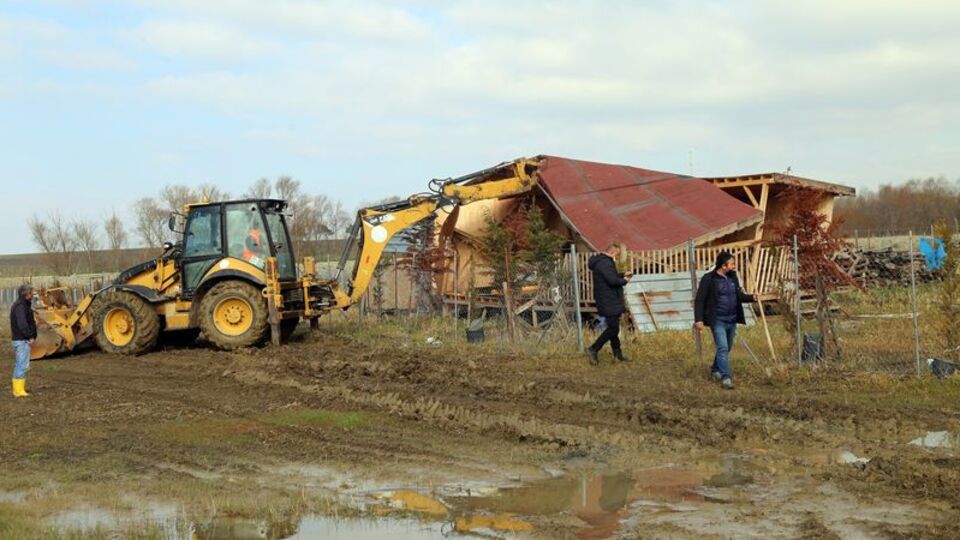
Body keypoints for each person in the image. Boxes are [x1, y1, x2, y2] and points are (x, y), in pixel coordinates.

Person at [694, 252, 755, 390]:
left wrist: (753, 297)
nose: (734, 266)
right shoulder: (709, 279)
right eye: (732, 264)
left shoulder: (732, 277)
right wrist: (699, 319)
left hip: (732, 319)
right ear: (723, 265)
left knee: (727, 347)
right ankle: (726, 377)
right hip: (718, 320)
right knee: (722, 347)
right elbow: (700, 300)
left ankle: (715, 369)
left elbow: (739, 296)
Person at [587, 242, 633, 365]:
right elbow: (612, 281)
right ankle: (594, 348)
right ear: (613, 252)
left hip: (607, 299)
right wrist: (625, 281)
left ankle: (618, 355)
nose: (617, 257)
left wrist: (622, 274)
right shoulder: (605, 263)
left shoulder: (602, 262)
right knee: (613, 328)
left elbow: (610, 276)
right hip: (608, 300)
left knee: (613, 328)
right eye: (617, 254)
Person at [9, 284, 37, 398]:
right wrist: (30, 336)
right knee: (22, 364)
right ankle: (18, 390)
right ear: (26, 294)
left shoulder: (23, 305)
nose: (32, 294)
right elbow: (22, 324)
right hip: (21, 340)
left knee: (21, 364)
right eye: (31, 293)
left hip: (21, 339)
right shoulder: (20, 307)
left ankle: (18, 388)